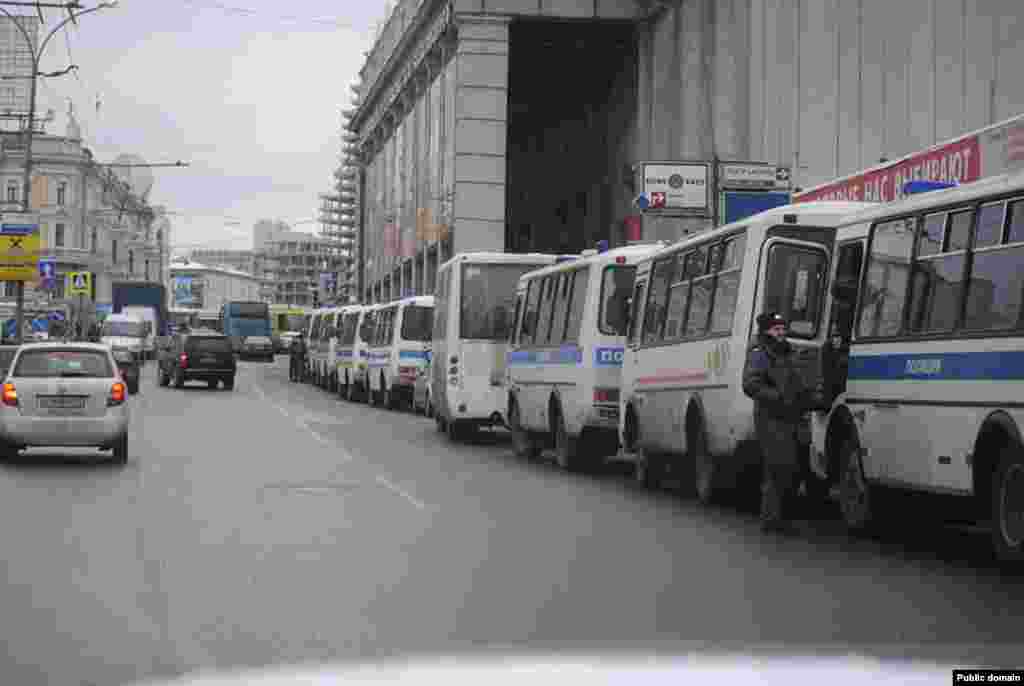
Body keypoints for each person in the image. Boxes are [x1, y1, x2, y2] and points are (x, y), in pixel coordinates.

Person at [742, 312, 819, 533]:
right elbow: (750, 384)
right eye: (776, 329)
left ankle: (782, 516)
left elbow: (795, 381)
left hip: (792, 416)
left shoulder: (787, 351)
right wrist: (777, 396)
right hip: (770, 417)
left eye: (783, 329)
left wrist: (809, 399)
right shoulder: (759, 353)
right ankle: (772, 519)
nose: (781, 333)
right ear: (766, 331)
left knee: (794, 467)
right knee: (778, 466)